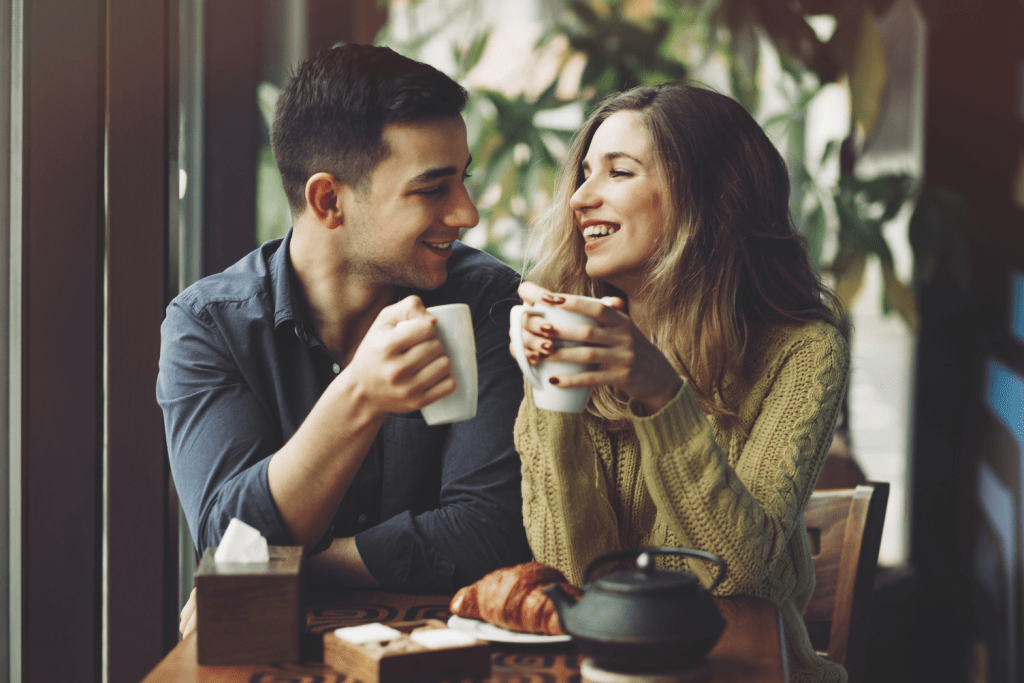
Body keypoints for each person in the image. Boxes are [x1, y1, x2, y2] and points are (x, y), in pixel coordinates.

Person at [158, 44, 531, 636]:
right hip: (269, 652)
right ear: (328, 200)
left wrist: (301, 563)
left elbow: (490, 533)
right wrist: (360, 392)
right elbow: (231, 534)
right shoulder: (208, 326)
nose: (467, 213)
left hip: (451, 654)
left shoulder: (485, 300)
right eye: (433, 188)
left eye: (463, 180)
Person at [513, 82, 850, 683]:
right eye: (584, 174)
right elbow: (573, 578)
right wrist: (551, 394)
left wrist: (661, 393)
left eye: (618, 172)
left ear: (711, 195)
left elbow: (736, 570)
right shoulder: (575, 337)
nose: (580, 198)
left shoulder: (803, 351)